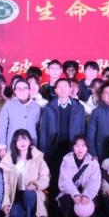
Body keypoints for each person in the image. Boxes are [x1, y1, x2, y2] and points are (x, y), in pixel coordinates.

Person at [38, 77, 86, 208]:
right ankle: (54, 209)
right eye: (60, 87)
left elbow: (83, 129)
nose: (63, 89)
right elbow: (43, 131)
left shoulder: (79, 107)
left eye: (66, 86)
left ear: (71, 89)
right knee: (54, 178)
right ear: (55, 90)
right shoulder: (48, 108)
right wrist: (43, 152)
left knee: (73, 178)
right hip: (54, 148)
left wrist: (82, 149)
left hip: (72, 148)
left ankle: (71, 209)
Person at [0, 129, 50, 217]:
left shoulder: (37, 157)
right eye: (18, 140)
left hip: (34, 193)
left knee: (29, 194)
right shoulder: (8, 159)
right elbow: (7, 184)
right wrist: (6, 204)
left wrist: (35, 185)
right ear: (15, 143)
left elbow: (46, 177)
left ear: (29, 141)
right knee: (14, 214)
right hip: (17, 195)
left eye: (25, 139)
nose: (22, 142)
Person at [57, 135, 102, 217]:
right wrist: (75, 194)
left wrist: (87, 195)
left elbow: (95, 181)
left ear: (87, 148)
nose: (80, 149)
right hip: (70, 193)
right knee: (65, 199)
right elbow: (64, 180)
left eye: (83, 146)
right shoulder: (66, 160)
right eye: (77, 146)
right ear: (73, 147)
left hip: (87, 193)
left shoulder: (93, 163)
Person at [0, 77, 41, 156]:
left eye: (25, 88)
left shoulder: (36, 107)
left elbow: (37, 126)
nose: (22, 91)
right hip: (12, 145)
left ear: (29, 90)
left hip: (31, 145)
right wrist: (2, 146)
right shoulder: (8, 106)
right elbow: (2, 128)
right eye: (19, 89)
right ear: (15, 91)